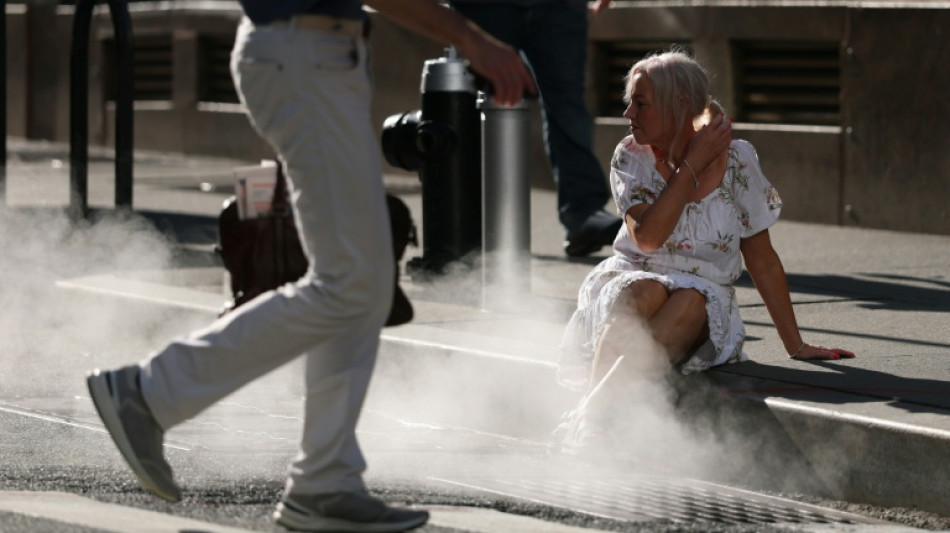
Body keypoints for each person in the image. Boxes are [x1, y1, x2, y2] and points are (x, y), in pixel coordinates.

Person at [85, 2, 535, 532]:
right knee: (352, 282)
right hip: (304, 56)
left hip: (318, 57)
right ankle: (150, 393)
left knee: (361, 284)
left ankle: (325, 481)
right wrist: (474, 40)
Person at [555, 50, 855, 445]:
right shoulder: (631, 155)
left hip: (703, 293)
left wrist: (796, 345)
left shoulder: (738, 160)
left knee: (692, 301)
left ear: (678, 105)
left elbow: (762, 259)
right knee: (641, 290)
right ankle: (598, 425)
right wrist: (691, 166)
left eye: (640, 103)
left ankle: (589, 417)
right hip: (636, 275)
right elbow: (647, 239)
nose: (628, 114)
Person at [449, 0, 623, 257]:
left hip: (559, 7)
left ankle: (583, 212)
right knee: (474, 101)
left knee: (568, 103)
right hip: (483, 5)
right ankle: (465, 221)